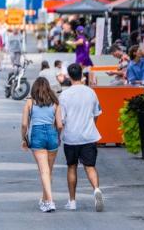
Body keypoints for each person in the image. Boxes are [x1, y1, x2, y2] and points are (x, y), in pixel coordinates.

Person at [60, 63, 104, 212]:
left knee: (72, 167)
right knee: (90, 166)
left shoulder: (64, 95)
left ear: (69, 76)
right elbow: (97, 114)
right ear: (82, 75)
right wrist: (91, 125)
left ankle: (72, 202)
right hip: (88, 136)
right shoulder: (91, 92)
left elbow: (62, 119)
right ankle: (96, 190)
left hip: (71, 137)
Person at [22, 77, 63, 212]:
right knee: (48, 171)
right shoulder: (55, 102)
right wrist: (58, 136)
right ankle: (45, 199)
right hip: (52, 135)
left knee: (43, 171)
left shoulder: (30, 102)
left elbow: (24, 124)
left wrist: (24, 138)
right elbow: (59, 125)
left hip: (37, 135)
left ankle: (50, 201)